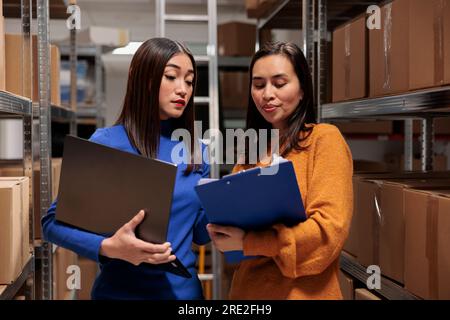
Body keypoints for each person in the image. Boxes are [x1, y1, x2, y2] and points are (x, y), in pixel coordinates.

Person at [42, 38, 210, 300]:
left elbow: (200, 234)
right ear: (144, 79)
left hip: (184, 296)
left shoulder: (197, 151)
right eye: (171, 77)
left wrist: (226, 204)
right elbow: (52, 224)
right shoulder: (106, 143)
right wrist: (110, 247)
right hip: (119, 293)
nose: (183, 89)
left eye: (189, 81)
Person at [207, 41, 353, 300]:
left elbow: (329, 231)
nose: (267, 94)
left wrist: (250, 242)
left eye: (280, 83)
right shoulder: (252, 152)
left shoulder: (324, 140)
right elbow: (235, 243)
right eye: (259, 84)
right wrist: (223, 232)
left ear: (302, 89)